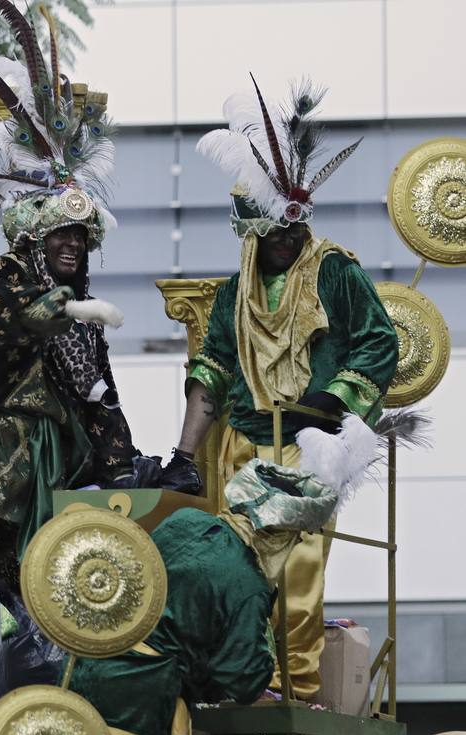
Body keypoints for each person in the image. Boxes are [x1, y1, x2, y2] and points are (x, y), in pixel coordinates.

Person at [160, 78, 398, 700]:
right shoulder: (232, 292)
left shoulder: (335, 269)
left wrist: (333, 403)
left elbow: (379, 344)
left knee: (296, 581)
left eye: (295, 231)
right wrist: (185, 456)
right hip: (241, 447)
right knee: (236, 575)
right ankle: (246, 688)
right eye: (276, 233)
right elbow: (211, 368)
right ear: (253, 232)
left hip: (304, 450)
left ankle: (297, 696)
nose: (288, 242)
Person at [0, 8, 144, 585]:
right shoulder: (1, 277)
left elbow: (100, 394)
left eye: (79, 236)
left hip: (52, 464)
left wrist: (123, 463)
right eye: (59, 235)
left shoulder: (79, 309)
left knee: (46, 586)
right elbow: (26, 318)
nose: (71, 245)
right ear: (35, 238)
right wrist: (76, 309)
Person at [68, 456, 341, 735]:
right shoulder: (248, 586)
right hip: (137, 697)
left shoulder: (186, 520)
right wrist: (191, 685)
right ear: (279, 536)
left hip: (86, 661)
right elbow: (244, 679)